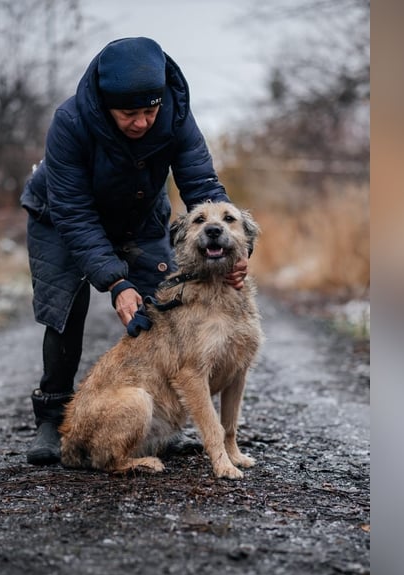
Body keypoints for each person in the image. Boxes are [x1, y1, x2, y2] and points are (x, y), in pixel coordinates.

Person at [20, 37, 249, 465]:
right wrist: (115, 281)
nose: (142, 122)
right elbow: (74, 213)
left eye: (150, 111)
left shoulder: (176, 115)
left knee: (163, 306)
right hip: (60, 217)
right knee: (65, 305)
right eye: (130, 113)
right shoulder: (70, 122)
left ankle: (159, 420)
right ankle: (53, 415)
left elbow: (202, 185)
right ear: (107, 104)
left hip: (139, 216)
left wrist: (234, 248)